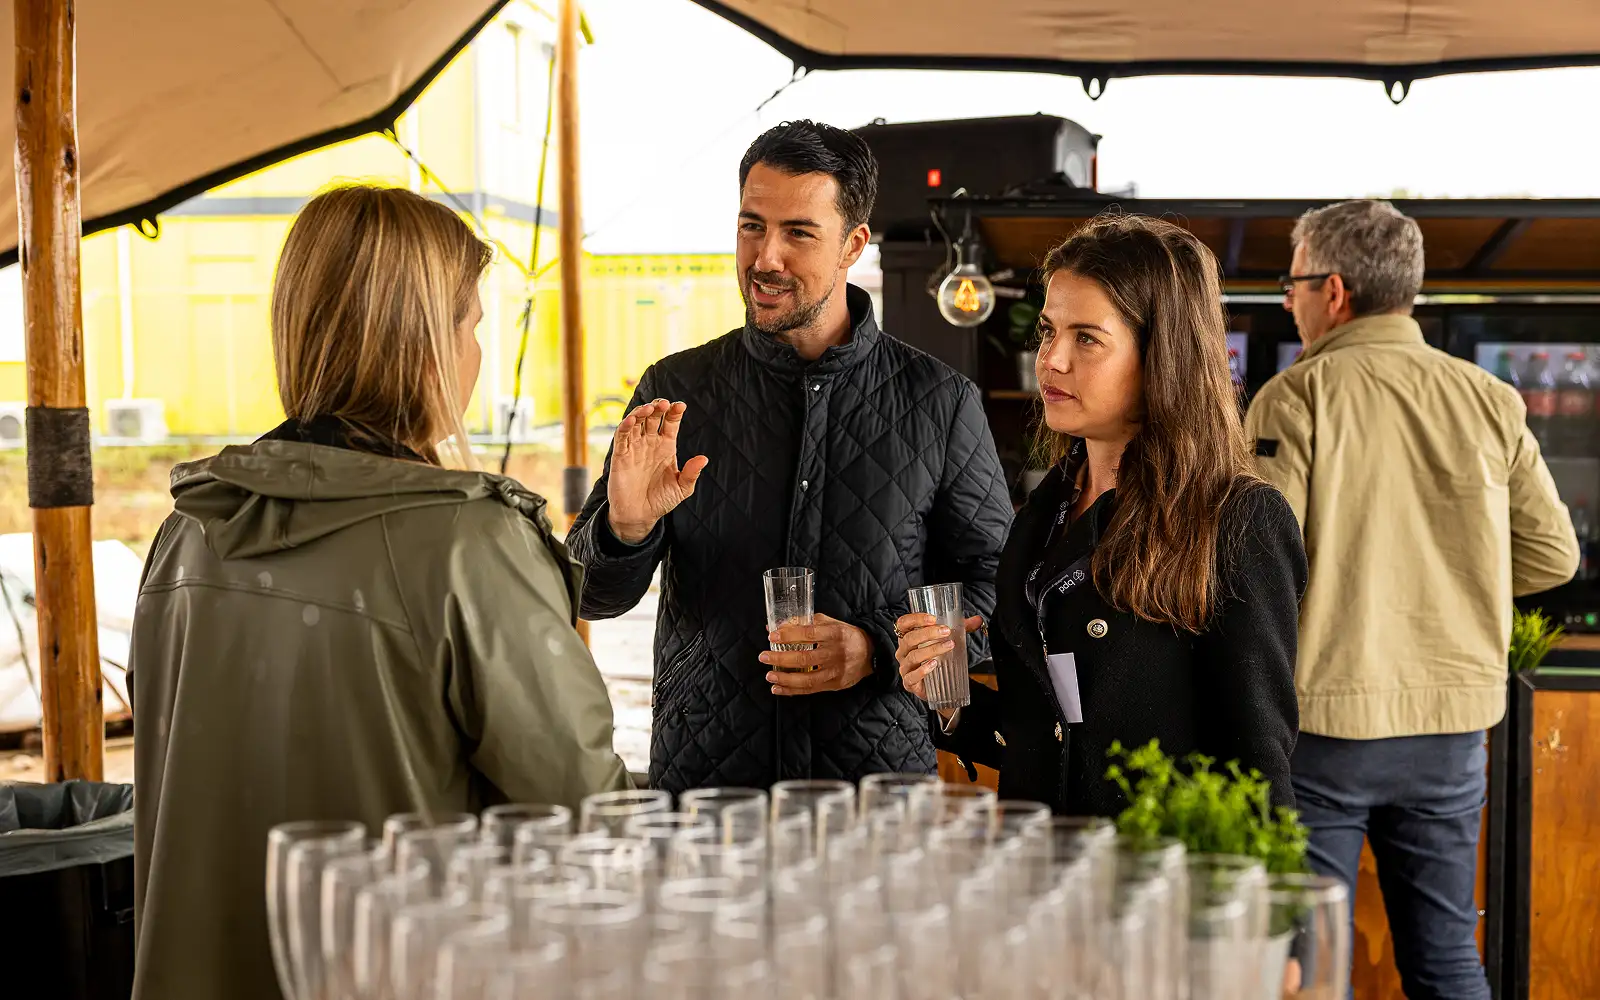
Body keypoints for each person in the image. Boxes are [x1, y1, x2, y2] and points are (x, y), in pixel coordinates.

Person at [128, 185, 630, 1000]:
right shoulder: (471, 542)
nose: (478, 351)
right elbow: (584, 815)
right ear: (425, 341)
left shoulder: (189, 528)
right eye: (471, 323)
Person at [567, 120, 1011, 793]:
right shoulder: (676, 391)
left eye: (798, 233)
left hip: (875, 797)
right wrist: (624, 530)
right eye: (751, 226)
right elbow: (593, 596)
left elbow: (1000, 592)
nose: (765, 257)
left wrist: (876, 649)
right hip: (707, 796)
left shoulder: (939, 403)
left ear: (852, 246)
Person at [1244, 199, 1578, 1000]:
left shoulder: (1295, 398)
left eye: (1291, 285)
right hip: (1452, 730)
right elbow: (1553, 555)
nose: (1287, 301)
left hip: (1324, 727)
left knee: (1309, 965)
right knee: (1446, 960)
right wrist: (1457, 583)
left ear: (1333, 290)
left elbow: (1257, 570)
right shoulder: (1490, 399)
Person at [896, 214, 1306, 815]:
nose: (1052, 359)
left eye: (1087, 338)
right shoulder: (1042, 512)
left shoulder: (1238, 521)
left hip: (1157, 885)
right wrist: (949, 694)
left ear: (1163, 356)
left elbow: (1258, 778)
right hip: (1046, 875)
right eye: (1048, 331)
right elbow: (1045, 738)